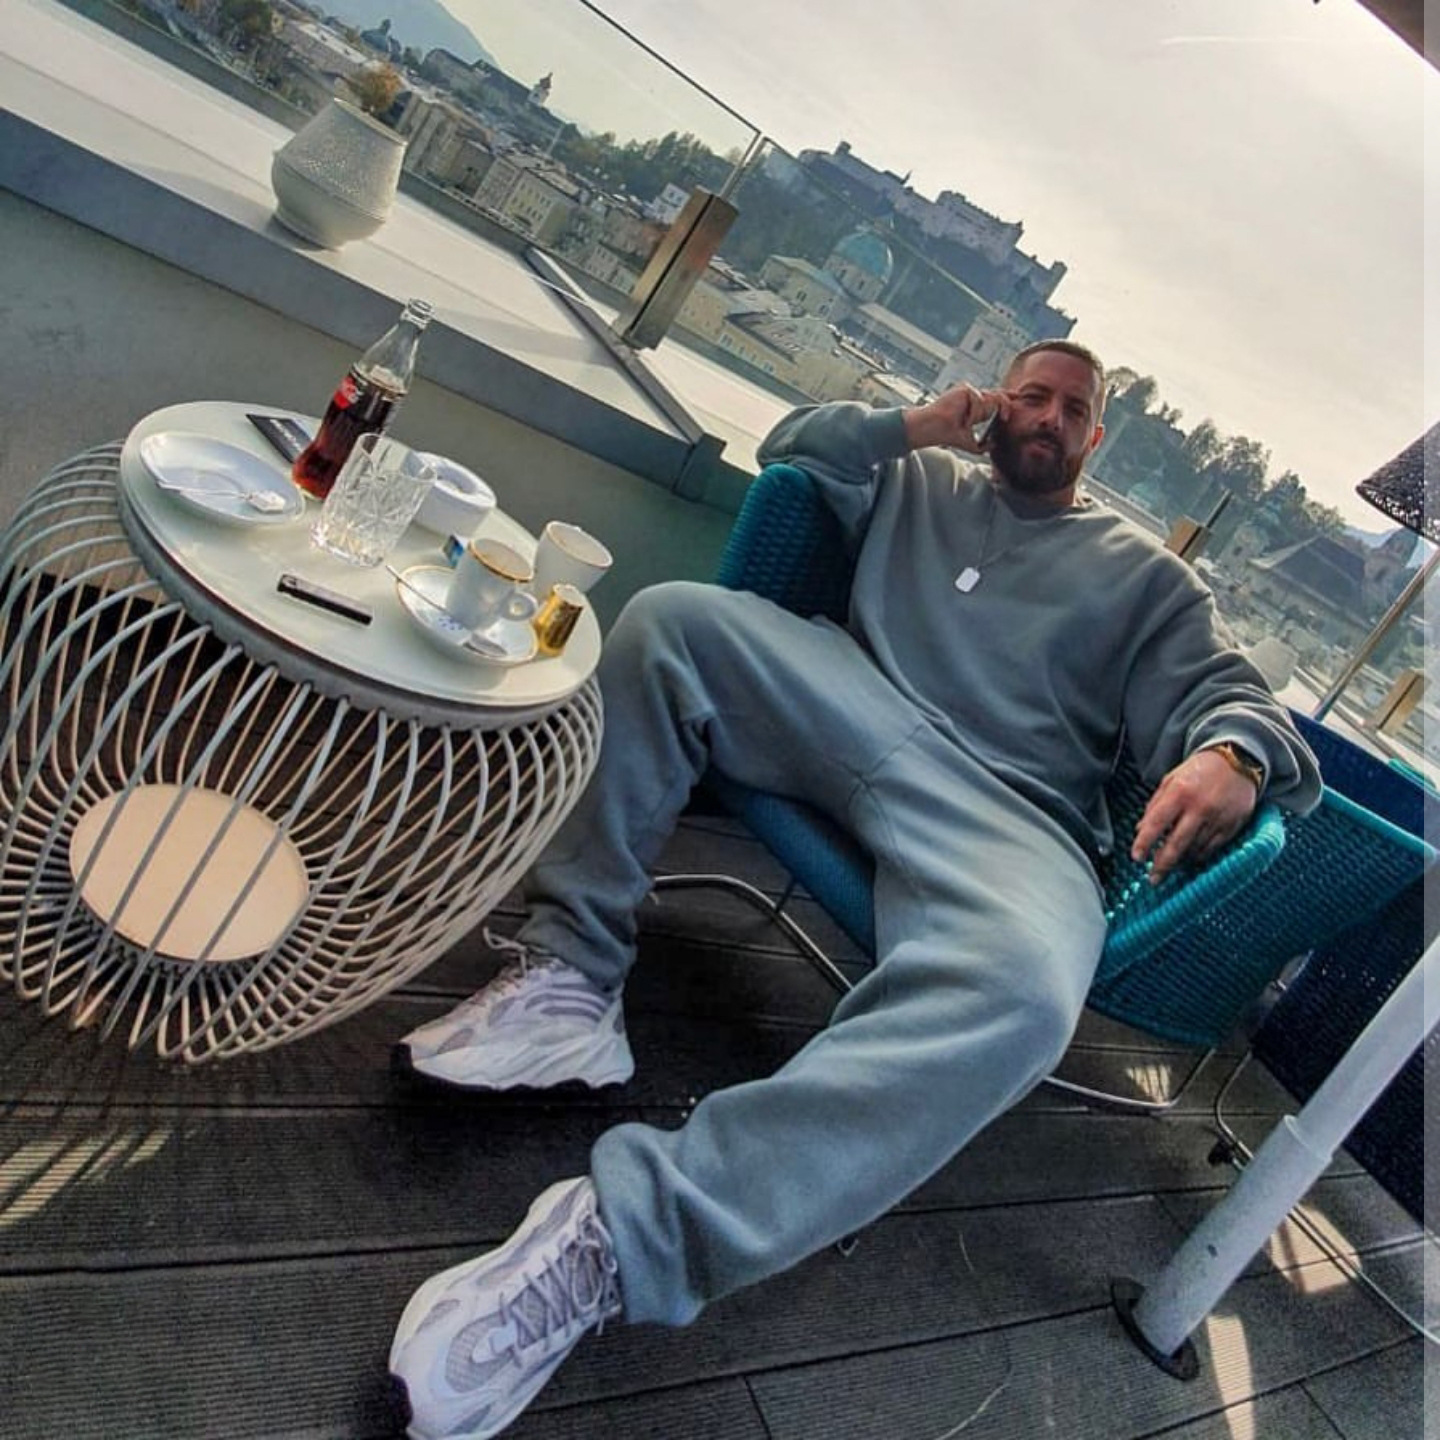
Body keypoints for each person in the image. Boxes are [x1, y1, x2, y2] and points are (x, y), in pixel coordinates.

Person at [386, 340, 1321, 1440]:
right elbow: (792, 450)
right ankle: (570, 980)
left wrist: (1235, 754)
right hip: (845, 697)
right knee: (672, 622)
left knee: (1028, 996)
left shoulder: (1146, 576)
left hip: (1007, 812)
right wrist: (915, 426)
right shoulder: (918, 475)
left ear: (1096, 438)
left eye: (1075, 409)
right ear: (997, 402)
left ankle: (628, 1241)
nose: (1048, 417)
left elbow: (1231, 693)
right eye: (1031, 394)